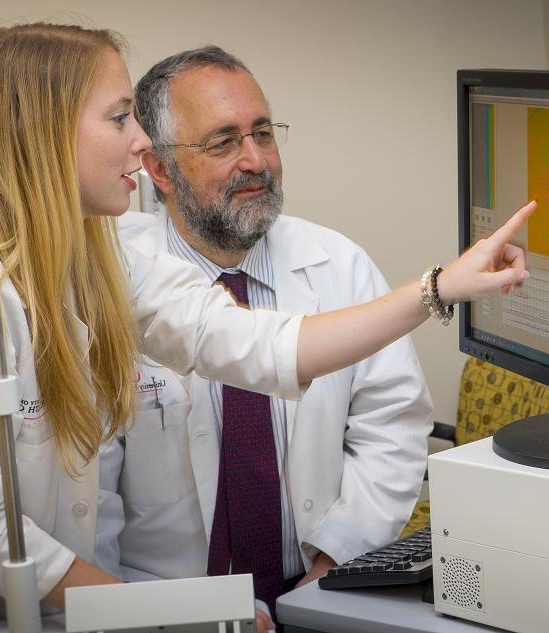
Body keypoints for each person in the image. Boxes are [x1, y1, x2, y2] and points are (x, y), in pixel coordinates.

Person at [0, 22, 533, 623]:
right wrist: (169, 613)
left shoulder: (104, 261)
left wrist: (440, 287)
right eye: (119, 117)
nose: (138, 141)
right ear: (40, 135)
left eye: (262, 132)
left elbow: (255, 344)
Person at [94, 46, 434, 627]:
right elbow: (90, 501)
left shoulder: (339, 265)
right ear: (157, 170)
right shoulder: (110, 279)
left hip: (321, 592)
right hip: (162, 611)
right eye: (223, 142)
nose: (256, 160)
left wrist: (333, 564)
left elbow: (391, 427)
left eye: (263, 133)